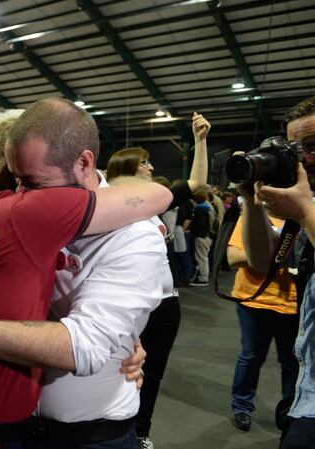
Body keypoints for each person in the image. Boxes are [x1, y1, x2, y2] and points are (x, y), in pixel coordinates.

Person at [0, 100, 172, 448]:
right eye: (16, 180)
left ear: (84, 163)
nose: (20, 194)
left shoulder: (134, 234)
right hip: (14, 431)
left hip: (85, 437)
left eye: (31, 181)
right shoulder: (14, 209)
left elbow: (87, 346)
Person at [104, 113, 210, 448]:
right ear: (126, 167)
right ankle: (118, 431)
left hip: (166, 303)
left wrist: (201, 141)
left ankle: (142, 432)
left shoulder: (155, 203)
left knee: (153, 372)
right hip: (131, 305)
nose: (151, 168)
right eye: (145, 163)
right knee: (123, 370)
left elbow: (196, 184)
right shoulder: (107, 206)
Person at [237, 95, 315, 449]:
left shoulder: (306, 209)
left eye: (313, 146)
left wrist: (304, 212)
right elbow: (260, 260)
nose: (304, 159)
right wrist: (251, 201)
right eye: (296, 148)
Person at [226, 214, 298, 432]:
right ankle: (242, 406)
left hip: (294, 303)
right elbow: (232, 258)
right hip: (253, 301)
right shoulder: (253, 217)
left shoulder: (304, 217)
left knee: (293, 361)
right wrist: (271, 254)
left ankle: (292, 412)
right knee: (251, 356)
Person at [189, 188, 215, 287]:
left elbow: (200, 224)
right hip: (208, 236)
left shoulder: (200, 209)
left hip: (201, 236)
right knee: (204, 257)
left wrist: (191, 226)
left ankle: (203, 279)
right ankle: (204, 277)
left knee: (201, 258)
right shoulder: (208, 207)